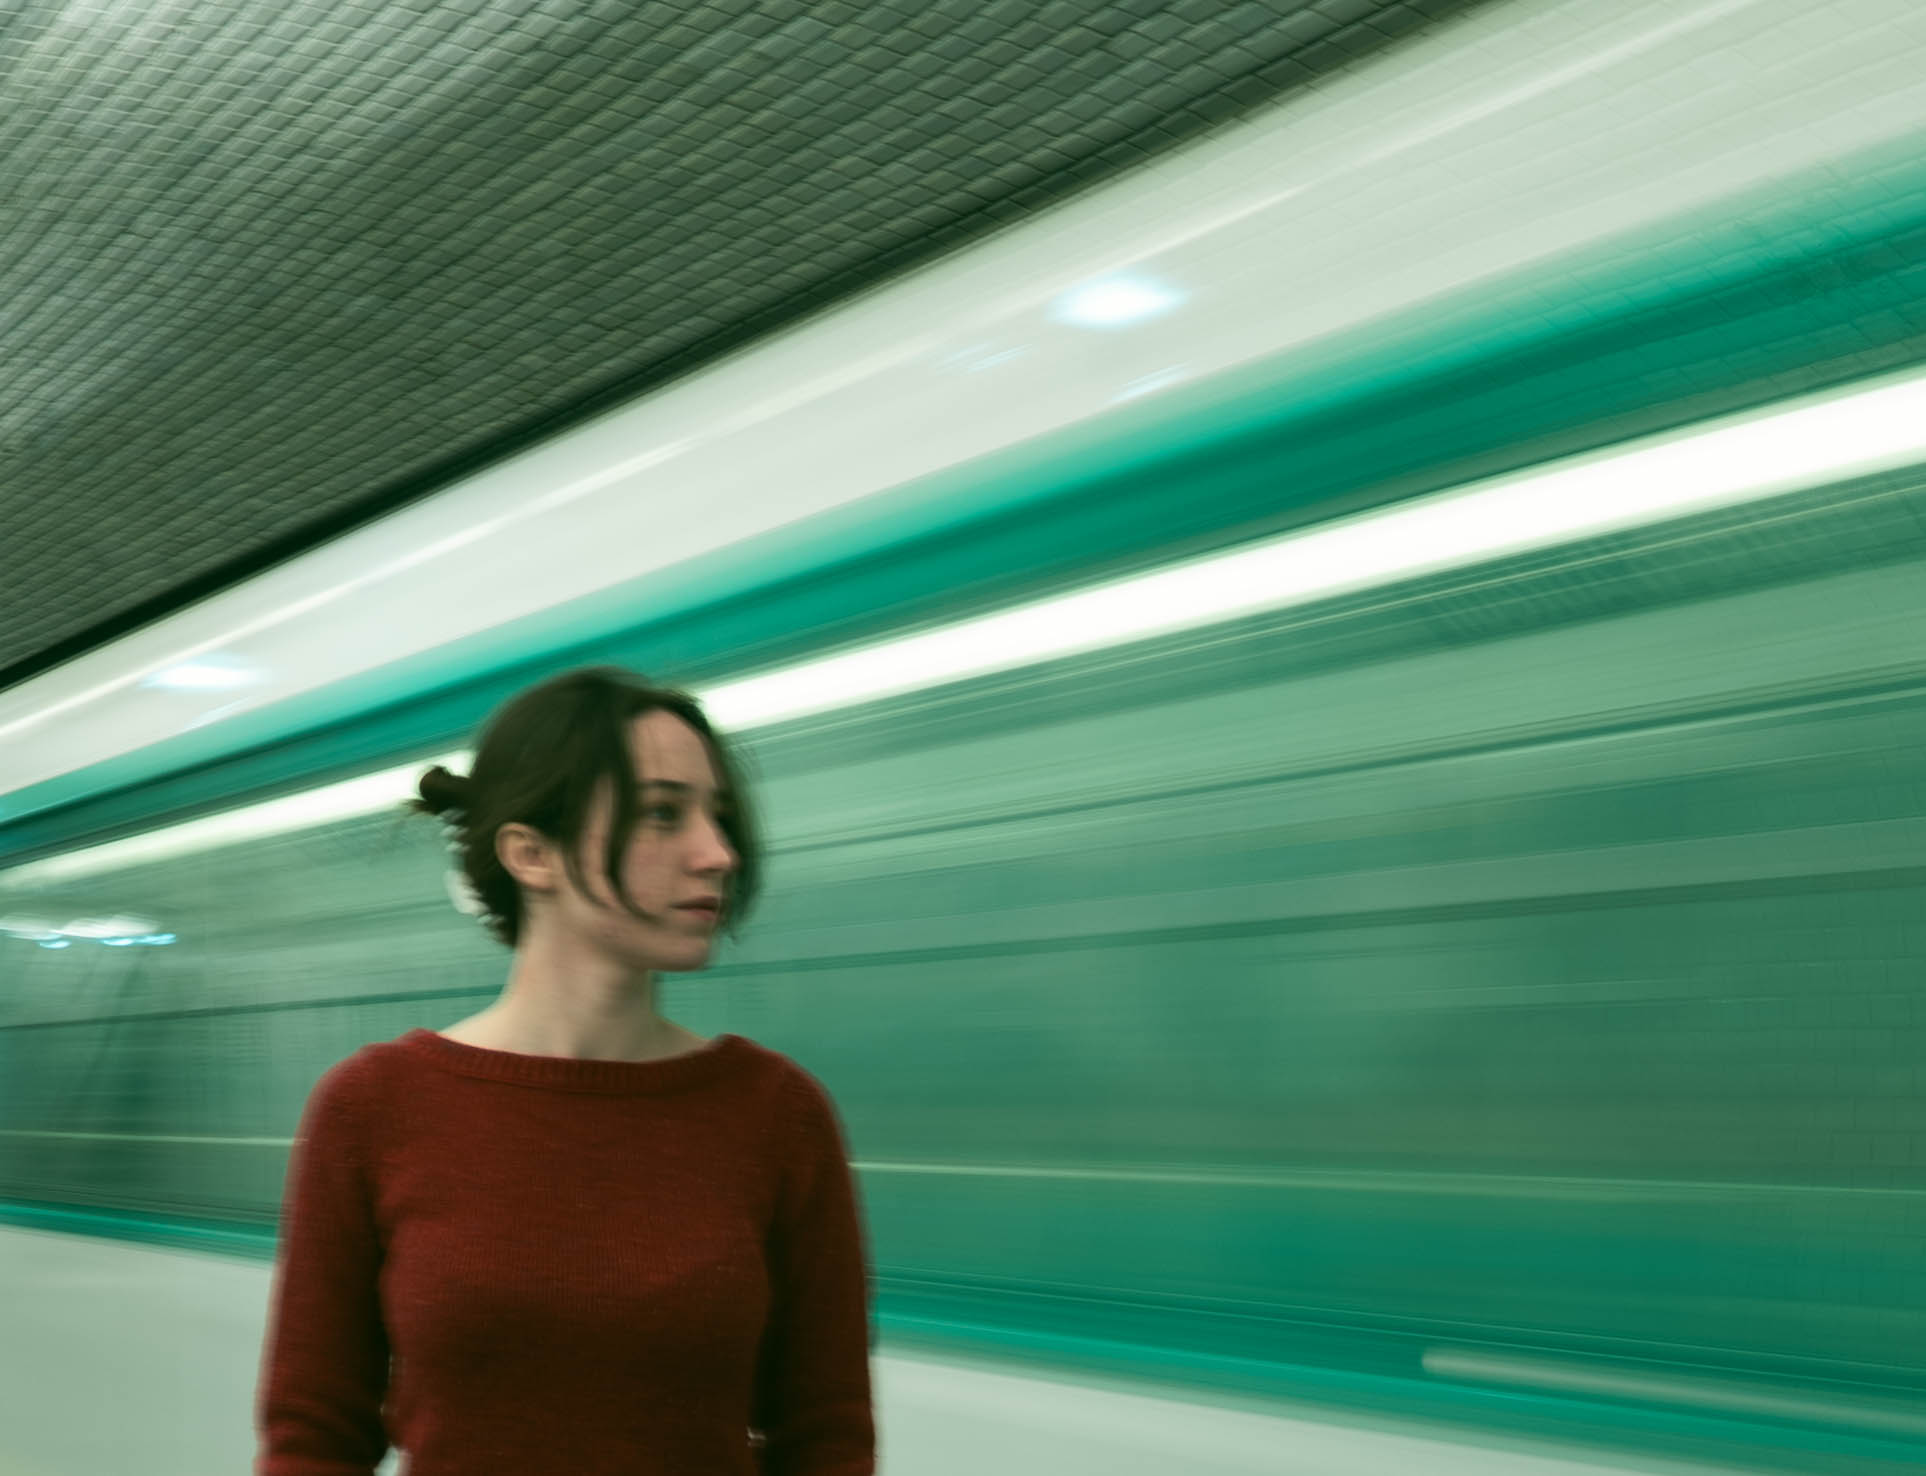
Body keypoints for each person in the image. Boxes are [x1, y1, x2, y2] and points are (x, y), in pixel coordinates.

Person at [255, 666, 875, 1475]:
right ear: (531, 853)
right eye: (663, 814)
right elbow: (314, 1436)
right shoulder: (375, 1106)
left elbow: (825, 1436)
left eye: (717, 816)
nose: (718, 854)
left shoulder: (776, 1114)